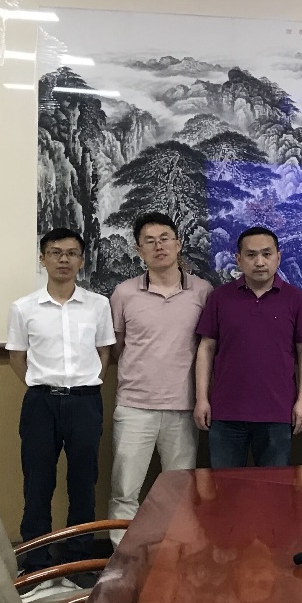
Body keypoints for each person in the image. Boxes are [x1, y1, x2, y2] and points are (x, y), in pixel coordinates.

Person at [5, 228, 115, 574]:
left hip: (85, 402)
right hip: (41, 404)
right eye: (55, 253)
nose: (63, 259)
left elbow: (104, 352)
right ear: (43, 259)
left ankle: (77, 562)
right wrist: (40, 385)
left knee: (83, 484)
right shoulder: (24, 307)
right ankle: (36, 563)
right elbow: (17, 356)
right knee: (37, 483)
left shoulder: (98, 305)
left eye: (71, 253)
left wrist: (86, 384)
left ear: (81, 260)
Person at [107, 212, 212, 545]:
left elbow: (209, 347)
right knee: (125, 489)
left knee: (179, 489)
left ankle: (173, 554)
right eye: (149, 241)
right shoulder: (124, 293)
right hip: (134, 406)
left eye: (165, 238)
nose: (159, 246)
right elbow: (117, 348)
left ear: (178, 244)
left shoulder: (203, 292)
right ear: (139, 250)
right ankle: (124, 558)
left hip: (183, 406)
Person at [194, 227, 302, 467]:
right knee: (224, 485)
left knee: (273, 486)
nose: (259, 262)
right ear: (238, 259)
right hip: (226, 412)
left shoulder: (296, 299)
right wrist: (201, 399)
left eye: (266, 254)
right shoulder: (220, 297)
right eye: (251, 255)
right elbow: (206, 348)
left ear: (278, 257)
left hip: (278, 412)